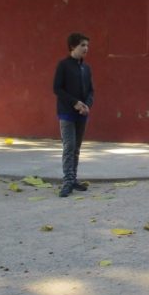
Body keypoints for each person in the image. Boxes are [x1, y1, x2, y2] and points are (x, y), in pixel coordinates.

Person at [53, 33, 94, 197]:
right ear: (72, 46)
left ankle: (73, 178)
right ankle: (67, 181)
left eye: (87, 45)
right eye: (82, 45)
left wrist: (87, 105)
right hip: (67, 113)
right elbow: (57, 88)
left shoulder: (86, 68)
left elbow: (91, 91)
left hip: (82, 114)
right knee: (69, 147)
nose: (86, 48)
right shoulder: (63, 65)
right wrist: (74, 102)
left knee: (76, 148)